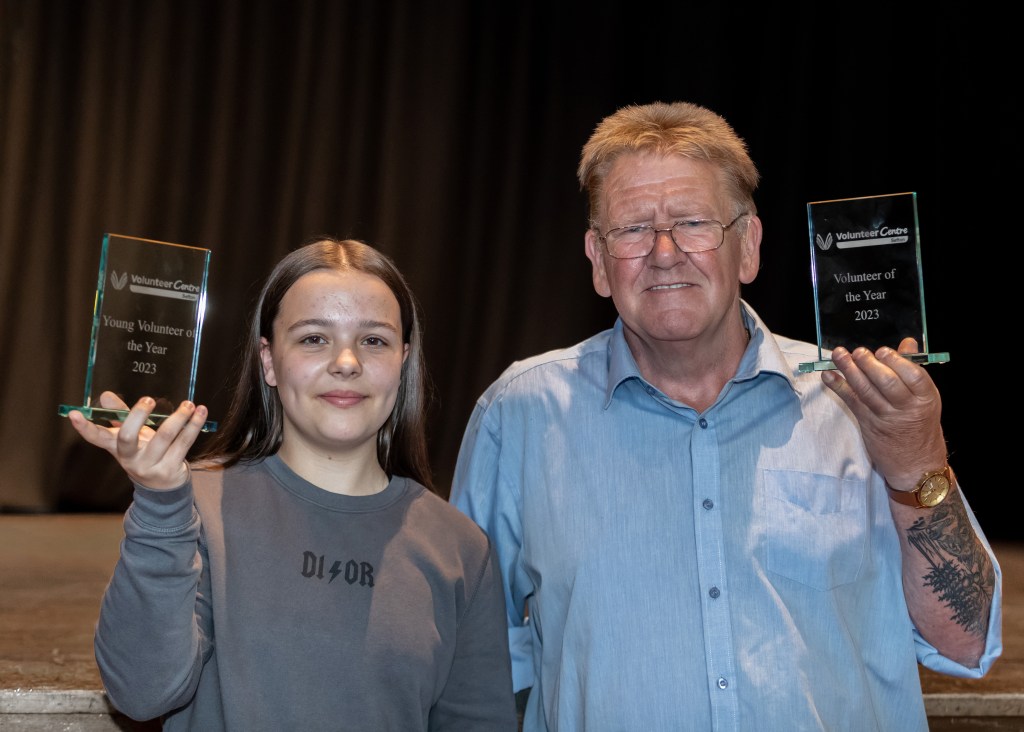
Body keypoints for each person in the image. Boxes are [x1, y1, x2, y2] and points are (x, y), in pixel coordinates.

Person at [449, 102, 1002, 731]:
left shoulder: (858, 400)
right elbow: (473, 658)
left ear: (749, 247)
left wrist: (917, 463)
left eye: (692, 222)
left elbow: (965, 644)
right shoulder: (519, 416)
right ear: (598, 261)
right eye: (632, 229)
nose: (663, 252)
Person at [70, 237, 518, 731]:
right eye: (313, 338)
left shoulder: (459, 550)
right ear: (269, 361)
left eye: (374, 340)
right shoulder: (193, 507)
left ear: (403, 361)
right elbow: (141, 691)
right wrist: (159, 502)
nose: (346, 362)